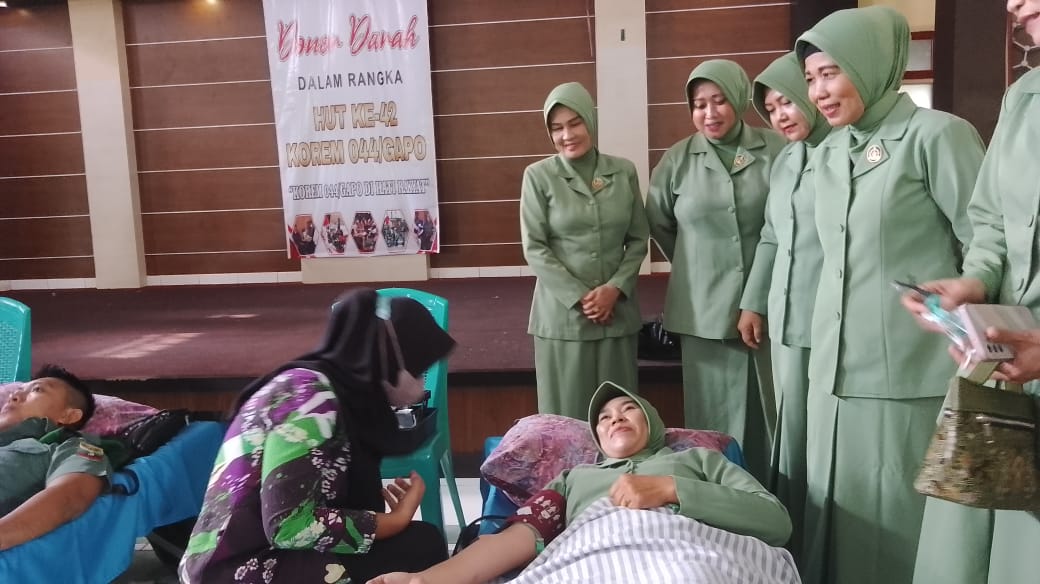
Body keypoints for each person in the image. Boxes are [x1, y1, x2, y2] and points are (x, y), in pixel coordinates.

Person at [793, 6, 986, 584]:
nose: (818, 92)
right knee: (836, 520)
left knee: (897, 529)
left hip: (906, 373)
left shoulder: (936, 136)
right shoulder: (828, 152)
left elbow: (986, 240)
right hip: (832, 373)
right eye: (810, 79)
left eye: (830, 73)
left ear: (870, 64)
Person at [367, 381, 793, 584]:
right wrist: (424, 581)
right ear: (597, 441)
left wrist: (671, 489)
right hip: (593, 560)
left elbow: (775, 522)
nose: (615, 418)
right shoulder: (574, 479)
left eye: (628, 409)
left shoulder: (699, 460)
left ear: (654, 421)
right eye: (604, 418)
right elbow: (517, 540)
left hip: (693, 557)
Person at [179, 288, 456, 584]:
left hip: (258, 551)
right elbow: (288, 526)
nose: (420, 385)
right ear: (389, 358)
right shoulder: (309, 398)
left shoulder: (332, 389)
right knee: (420, 548)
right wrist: (395, 520)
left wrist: (382, 521)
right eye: (418, 369)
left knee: (417, 544)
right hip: (238, 567)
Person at [901, 2, 1040, 582]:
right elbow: (991, 221)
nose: (1012, 4)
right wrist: (974, 282)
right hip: (1010, 367)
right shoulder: (1025, 96)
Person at [646, 59, 786, 480]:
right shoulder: (677, 159)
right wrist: (698, 263)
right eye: (699, 104)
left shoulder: (776, 149)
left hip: (769, 302)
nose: (709, 113)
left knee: (771, 408)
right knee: (711, 416)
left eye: (719, 101)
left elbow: (786, 223)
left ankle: (772, 493)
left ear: (739, 99)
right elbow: (660, 221)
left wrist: (758, 293)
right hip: (701, 308)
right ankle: (715, 495)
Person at [737, 50, 831, 564]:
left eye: (787, 102)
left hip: (830, 318)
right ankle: (792, 537)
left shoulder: (841, 152)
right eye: (771, 109)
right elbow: (772, 236)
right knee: (790, 431)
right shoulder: (787, 160)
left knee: (823, 439)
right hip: (786, 319)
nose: (781, 116)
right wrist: (754, 302)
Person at [520, 82, 649, 418]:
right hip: (562, 318)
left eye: (575, 123)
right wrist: (582, 297)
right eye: (557, 128)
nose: (567, 135)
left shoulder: (623, 172)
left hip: (616, 314)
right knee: (565, 418)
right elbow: (535, 247)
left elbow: (638, 239)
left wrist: (614, 289)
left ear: (590, 121)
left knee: (619, 418)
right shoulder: (538, 176)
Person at [0, 365, 107, 551]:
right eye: (17, 390)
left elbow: (72, 496)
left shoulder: (68, 448)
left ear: (69, 415)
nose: (14, 396)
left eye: (37, 390)